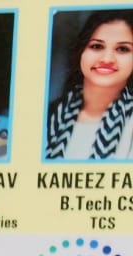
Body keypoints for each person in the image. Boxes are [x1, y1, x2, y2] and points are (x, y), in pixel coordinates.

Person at [46, 9, 133, 160]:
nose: (107, 59)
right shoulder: (49, 115)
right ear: (81, 51)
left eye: (122, 49)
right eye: (97, 46)